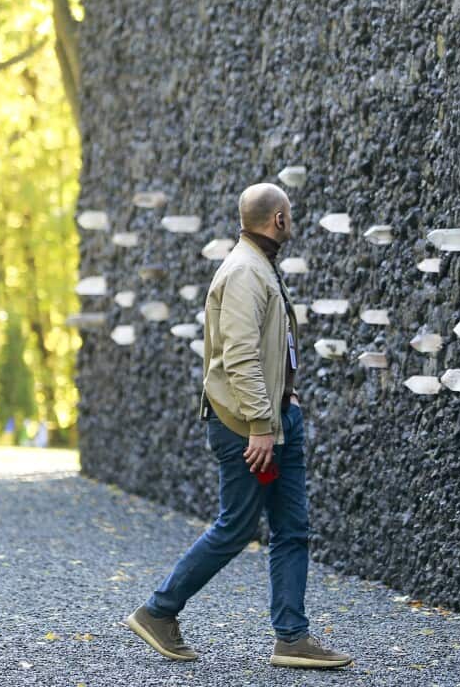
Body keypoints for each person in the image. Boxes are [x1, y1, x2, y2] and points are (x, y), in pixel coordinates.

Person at [123, 182, 351, 669]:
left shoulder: (258, 265)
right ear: (279, 220)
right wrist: (261, 425)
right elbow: (241, 356)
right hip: (249, 425)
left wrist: (283, 401)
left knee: (292, 529)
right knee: (237, 525)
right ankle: (158, 611)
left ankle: (292, 637)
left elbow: (267, 348)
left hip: (275, 416)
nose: (293, 222)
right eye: (290, 215)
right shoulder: (246, 271)